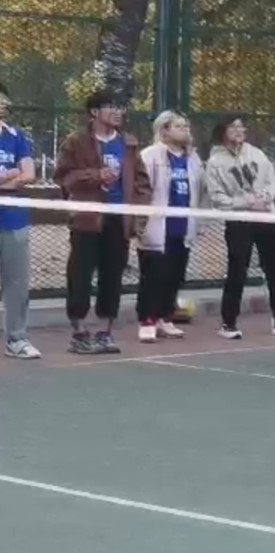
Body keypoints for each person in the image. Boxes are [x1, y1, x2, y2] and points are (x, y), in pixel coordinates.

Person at [54, 89, 151, 355]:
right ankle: (79, 333)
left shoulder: (128, 143)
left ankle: (105, 332)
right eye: (112, 107)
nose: (118, 112)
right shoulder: (76, 141)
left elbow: (142, 182)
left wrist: (138, 214)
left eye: (121, 107)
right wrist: (95, 175)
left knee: (112, 276)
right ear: (94, 112)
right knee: (80, 275)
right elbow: (63, 177)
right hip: (87, 219)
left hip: (118, 220)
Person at [206, 115, 275, 339]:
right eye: (233, 127)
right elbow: (217, 197)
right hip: (239, 222)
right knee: (237, 270)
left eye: (241, 127)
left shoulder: (257, 154)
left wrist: (265, 198)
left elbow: (272, 181)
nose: (239, 130)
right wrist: (244, 202)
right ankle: (229, 323)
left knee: (274, 268)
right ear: (223, 131)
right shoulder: (215, 162)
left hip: (266, 218)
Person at [136, 111, 204, 343]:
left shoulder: (193, 159)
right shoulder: (150, 155)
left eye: (186, 126)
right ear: (164, 129)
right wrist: (141, 222)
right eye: (178, 126)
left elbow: (200, 190)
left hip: (182, 226)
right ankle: (147, 320)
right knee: (153, 276)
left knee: (175, 275)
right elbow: (142, 190)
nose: (185, 130)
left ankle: (165, 317)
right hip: (157, 226)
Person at [0, 82, 39, 359]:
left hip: (14, 219)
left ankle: (16, 339)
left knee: (16, 282)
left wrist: (10, 178)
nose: (2, 104)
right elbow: (17, 173)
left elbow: (29, 174)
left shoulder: (17, 136)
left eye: (4, 99)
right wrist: (10, 173)